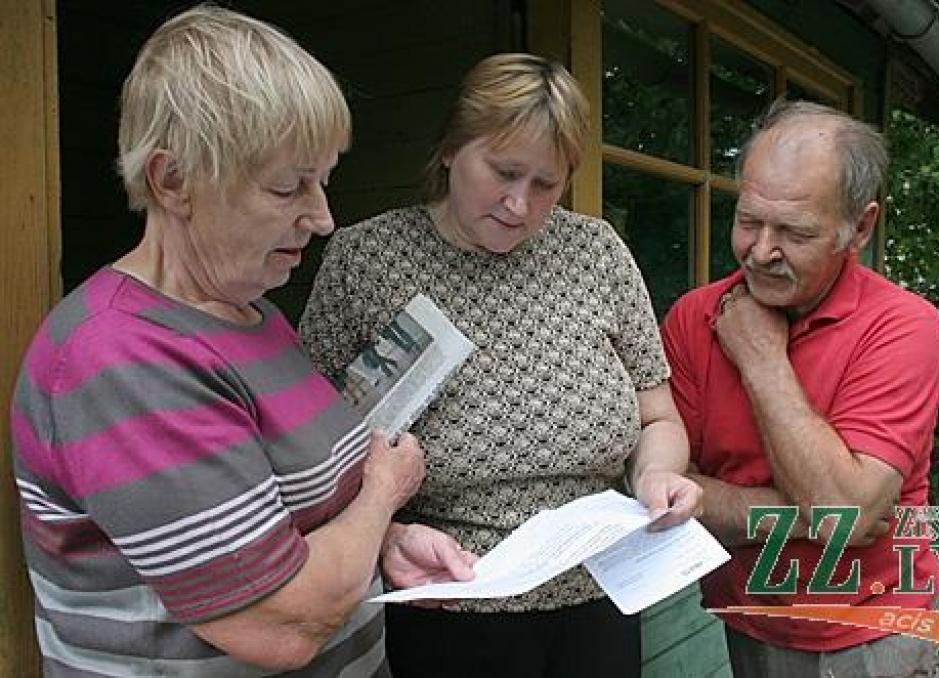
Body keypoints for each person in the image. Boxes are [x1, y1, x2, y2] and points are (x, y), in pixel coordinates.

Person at [10, 6, 474, 676]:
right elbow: (277, 623)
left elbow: (276, 524)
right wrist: (383, 492)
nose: (321, 217)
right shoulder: (118, 357)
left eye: (322, 179)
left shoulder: (255, 318)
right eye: (288, 186)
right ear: (174, 181)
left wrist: (386, 547)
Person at [300, 53, 703, 677]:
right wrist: (383, 534)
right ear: (451, 149)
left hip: (599, 599)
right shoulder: (367, 260)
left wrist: (655, 479)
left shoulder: (597, 254)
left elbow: (658, 418)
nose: (519, 204)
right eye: (504, 172)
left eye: (546, 184)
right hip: (444, 603)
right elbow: (310, 445)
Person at [661, 100, 939, 677]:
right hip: (746, 617)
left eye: (793, 231)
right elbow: (670, 494)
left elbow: (844, 509)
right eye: (748, 220)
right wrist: (809, 516)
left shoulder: (904, 326)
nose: (761, 251)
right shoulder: (694, 316)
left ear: (859, 227)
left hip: (875, 629)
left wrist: (763, 359)